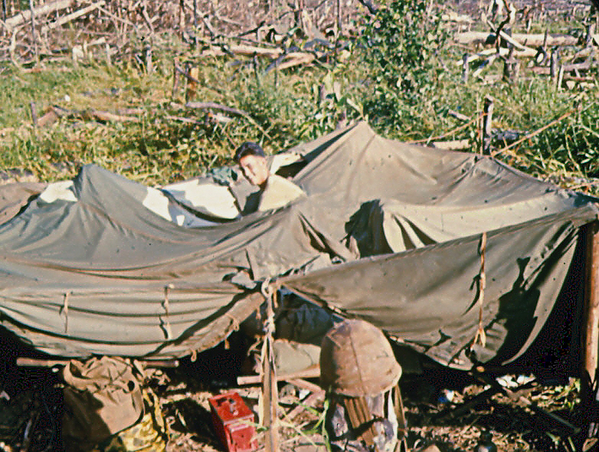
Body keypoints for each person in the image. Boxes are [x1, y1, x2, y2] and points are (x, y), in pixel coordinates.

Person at [234, 142, 306, 213]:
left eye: (249, 166)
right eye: (242, 169)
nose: (246, 173)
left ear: (263, 162)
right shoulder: (258, 195)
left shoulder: (277, 188)